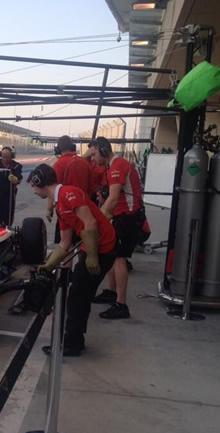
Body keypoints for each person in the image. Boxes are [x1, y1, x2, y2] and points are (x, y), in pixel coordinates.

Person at [29, 163, 116, 356]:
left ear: (39, 182)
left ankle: (72, 343)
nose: (34, 191)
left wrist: (92, 256)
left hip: (103, 248)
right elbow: (65, 243)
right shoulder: (60, 206)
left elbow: (91, 222)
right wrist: (48, 265)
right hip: (92, 246)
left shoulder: (69, 194)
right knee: (79, 295)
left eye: (34, 187)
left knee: (77, 296)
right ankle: (75, 338)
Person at [90, 137, 145, 320]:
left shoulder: (117, 166)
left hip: (127, 218)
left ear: (104, 150)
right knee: (114, 256)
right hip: (121, 216)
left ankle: (121, 304)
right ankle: (111, 292)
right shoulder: (113, 166)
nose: (93, 158)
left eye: (94, 153)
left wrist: (99, 220)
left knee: (119, 259)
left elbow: (112, 198)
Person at [48, 135, 94, 242]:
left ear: (58, 149)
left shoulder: (58, 164)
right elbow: (91, 188)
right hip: (83, 210)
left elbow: (52, 189)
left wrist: (49, 208)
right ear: (73, 147)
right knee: (82, 242)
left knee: (66, 244)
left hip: (65, 211)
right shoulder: (84, 163)